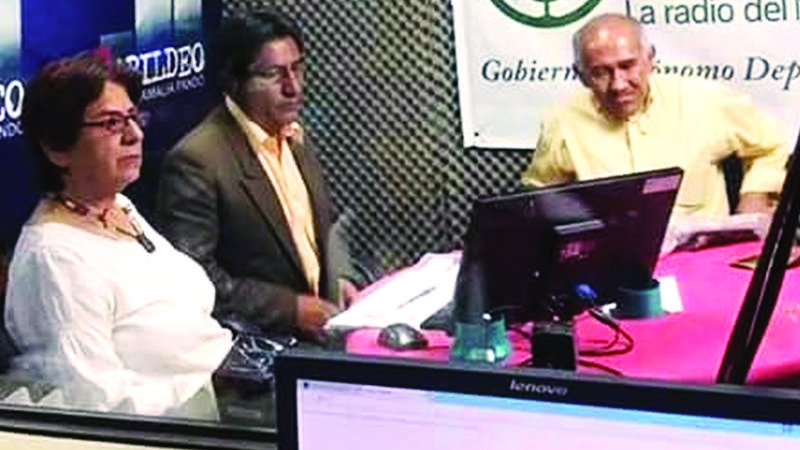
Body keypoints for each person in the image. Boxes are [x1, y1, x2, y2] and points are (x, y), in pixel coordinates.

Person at [4, 51, 233, 418]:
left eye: (133, 117)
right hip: (195, 423)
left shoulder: (119, 206)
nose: (135, 135)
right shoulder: (56, 259)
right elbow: (99, 403)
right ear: (57, 147)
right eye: (112, 123)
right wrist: (215, 394)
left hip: (234, 387)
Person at [156, 11, 362, 343]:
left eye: (297, 68)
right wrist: (290, 309)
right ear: (234, 81)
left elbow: (318, 230)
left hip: (318, 340)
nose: (293, 87)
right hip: (261, 355)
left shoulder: (293, 134)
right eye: (272, 74)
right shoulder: (197, 161)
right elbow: (193, 279)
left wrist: (337, 280)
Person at [521, 13, 788, 219]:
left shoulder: (703, 99)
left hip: (701, 255)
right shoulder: (563, 121)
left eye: (627, 66)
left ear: (650, 59)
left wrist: (755, 196)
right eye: (600, 73)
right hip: (617, 259)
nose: (618, 84)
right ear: (581, 77)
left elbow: (771, 147)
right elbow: (540, 193)